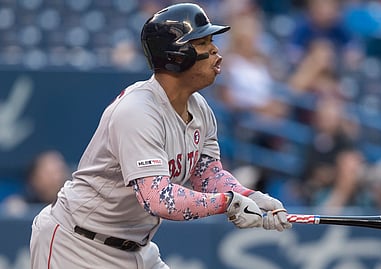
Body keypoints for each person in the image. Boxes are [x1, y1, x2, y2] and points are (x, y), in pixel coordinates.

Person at [29, 3, 291, 269]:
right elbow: (158, 199)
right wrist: (229, 203)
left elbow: (208, 176)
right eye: (202, 43)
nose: (215, 50)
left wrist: (251, 197)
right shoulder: (137, 111)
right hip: (78, 245)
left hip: (137, 248)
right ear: (176, 55)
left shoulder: (200, 109)